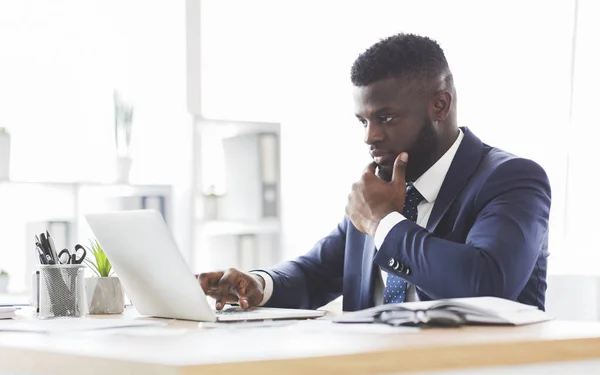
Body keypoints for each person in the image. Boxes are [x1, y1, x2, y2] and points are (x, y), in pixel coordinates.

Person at [199, 33, 551, 312]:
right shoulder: (380, 190)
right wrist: (260, 284)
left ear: (440, 106)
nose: (370, 136)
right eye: (364, 121)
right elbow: (315, 273)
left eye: (386, 118)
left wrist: (384, 224)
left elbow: (486, 284)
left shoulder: (512, 180)